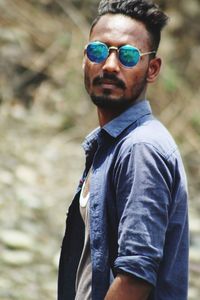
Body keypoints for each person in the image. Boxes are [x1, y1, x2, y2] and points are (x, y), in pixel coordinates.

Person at [58, 0, 189, 299]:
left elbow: (136, 276)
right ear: (84, 59)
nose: (110, 65)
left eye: (128, 56)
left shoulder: (140, 148)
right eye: (98, 51)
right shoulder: (111, 145)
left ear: (152, 69)